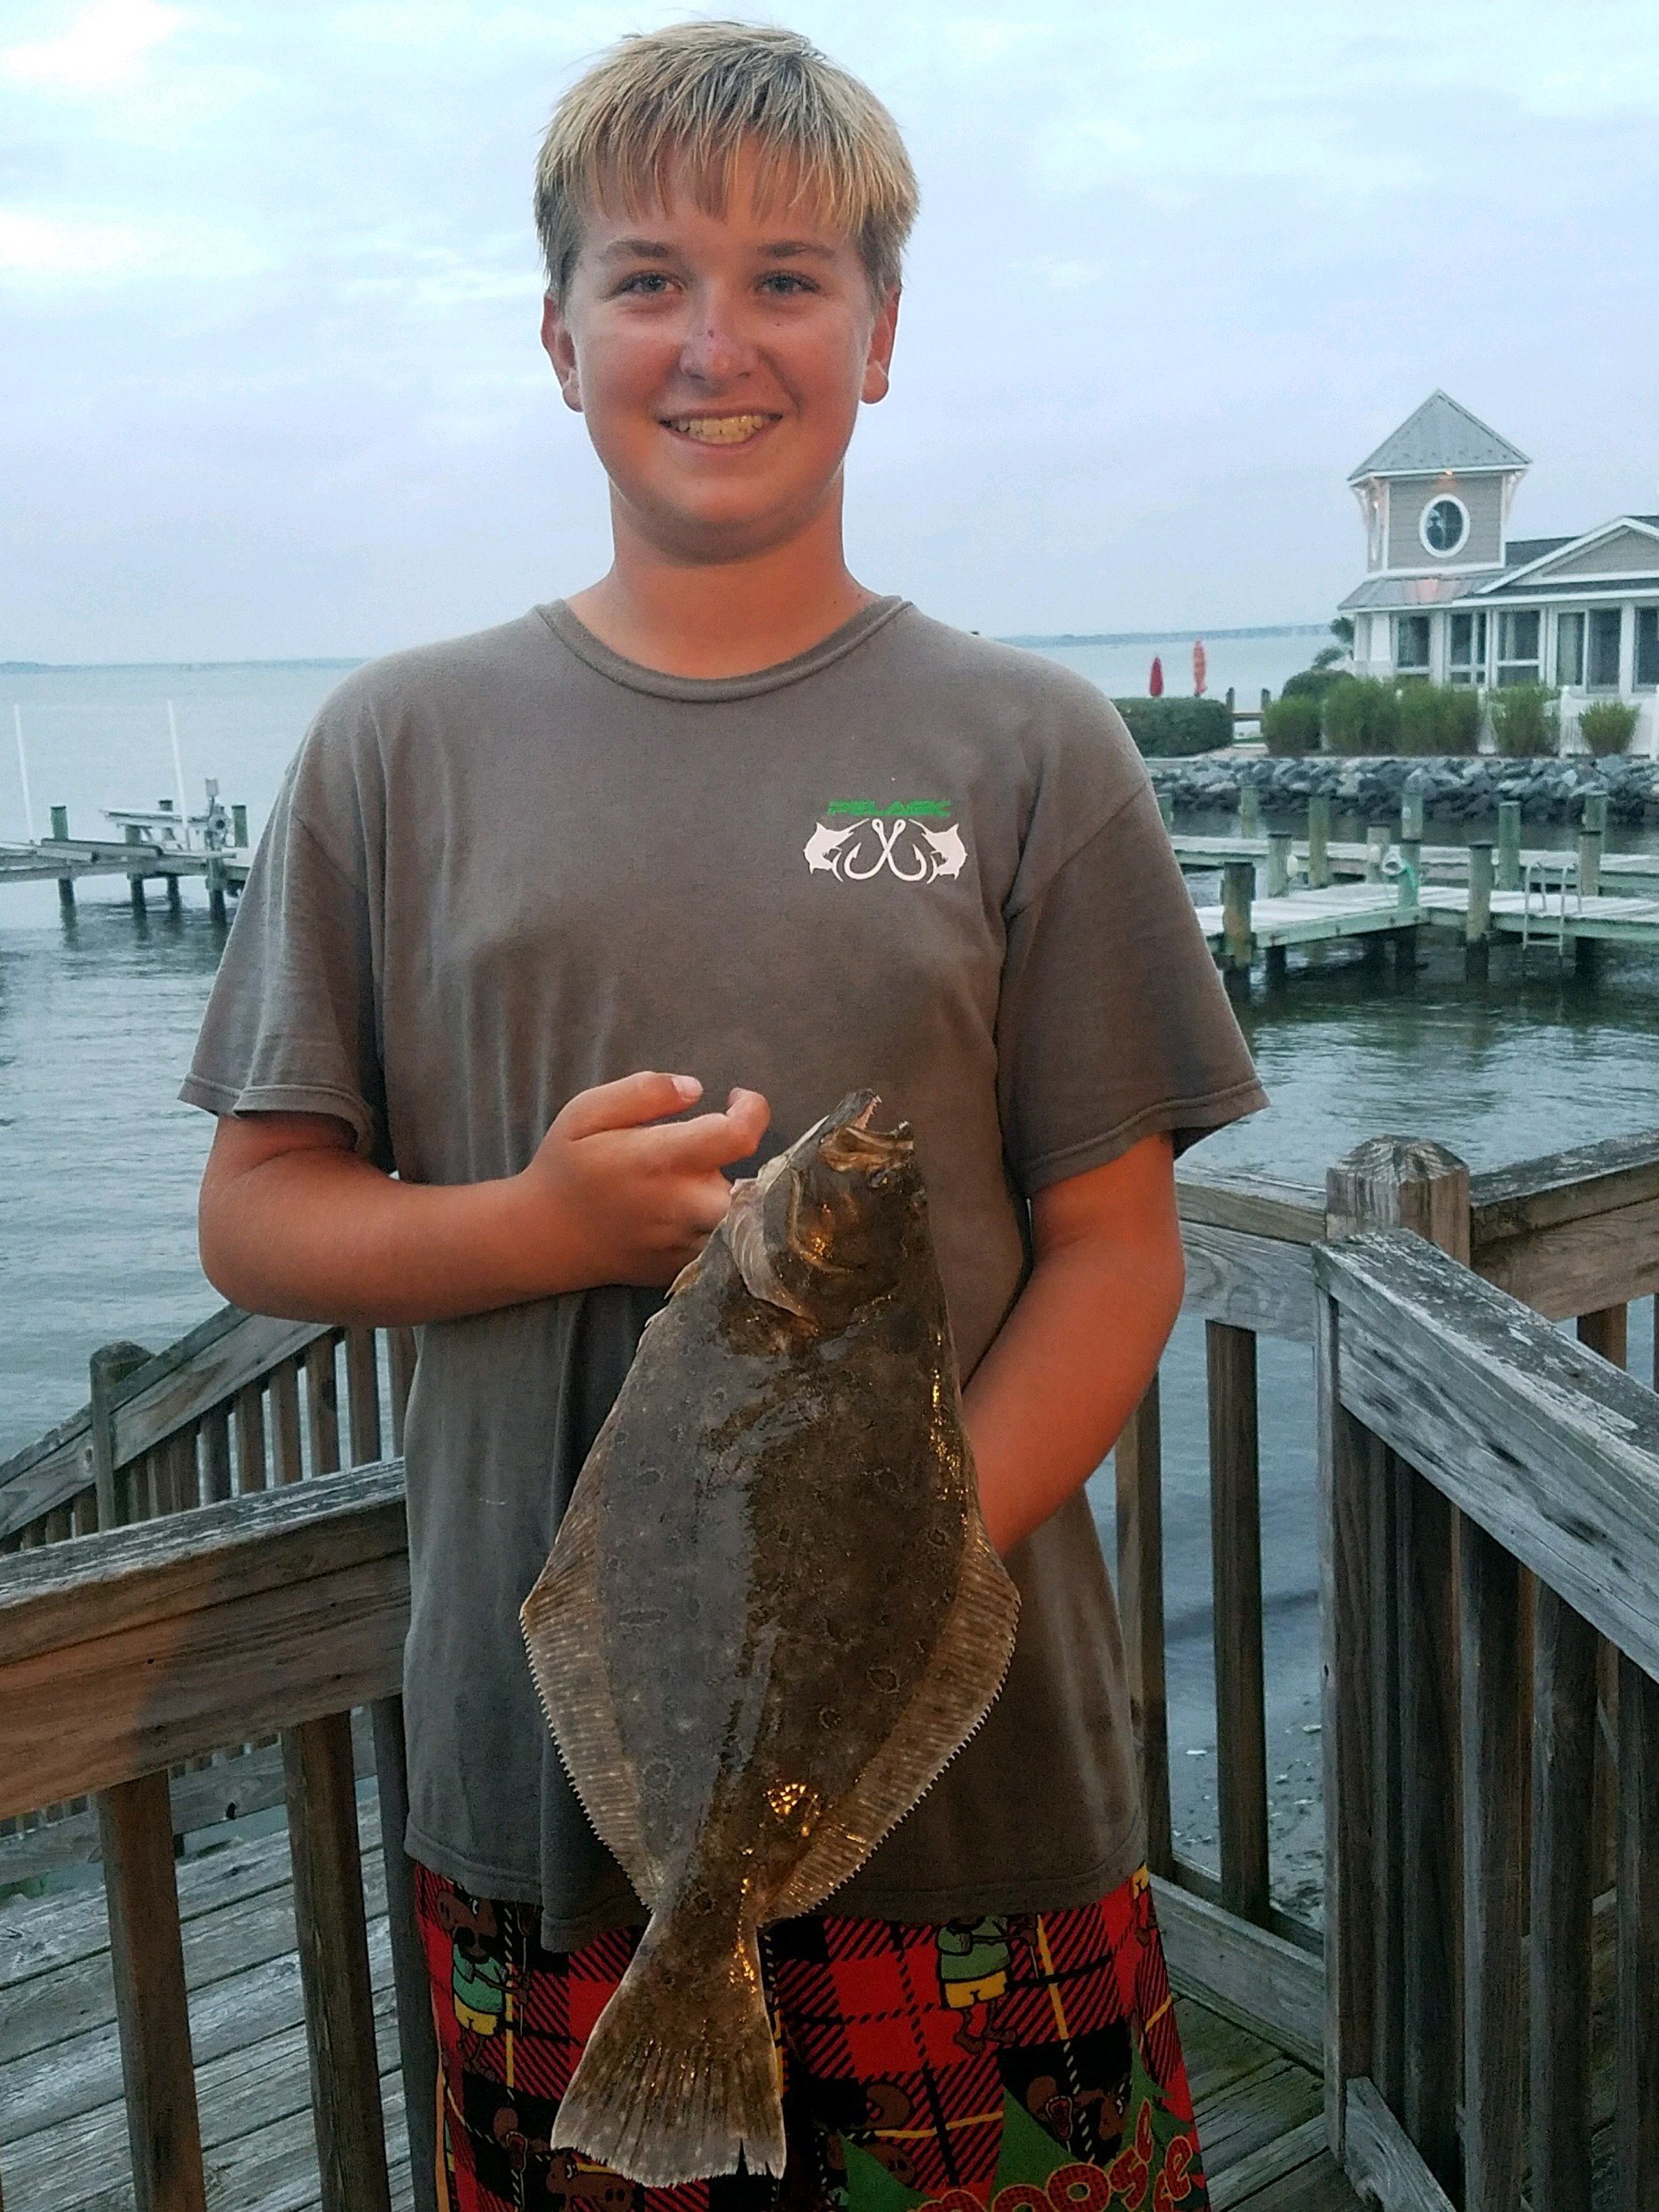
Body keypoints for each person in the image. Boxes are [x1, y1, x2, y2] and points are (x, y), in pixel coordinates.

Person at [184, 22, 1266, 2211]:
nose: (715, 339)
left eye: (787, 278)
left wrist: (886, 1591)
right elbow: (259, 1213)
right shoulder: (397, 746)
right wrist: (539, 1227)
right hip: (547, 1799)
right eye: (648, 278)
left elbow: (1114, 1248)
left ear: (879, 337)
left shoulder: (1026, 747)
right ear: (556, 335)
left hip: (965, 1791)